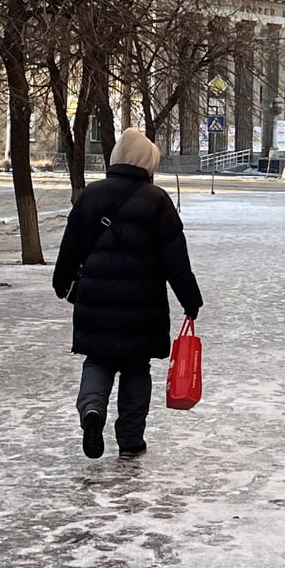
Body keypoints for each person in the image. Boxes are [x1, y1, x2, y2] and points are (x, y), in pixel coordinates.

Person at [52, 128, 203, 459]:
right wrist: (190, 300)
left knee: (97, 361)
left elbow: (70, 247)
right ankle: (131, 438)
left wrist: (61, 283)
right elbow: (176, 260)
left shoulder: (91, 195)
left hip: (95, 301)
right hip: (142, 305)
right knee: (136, 369)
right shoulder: (158, 201)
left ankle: (92, 411)